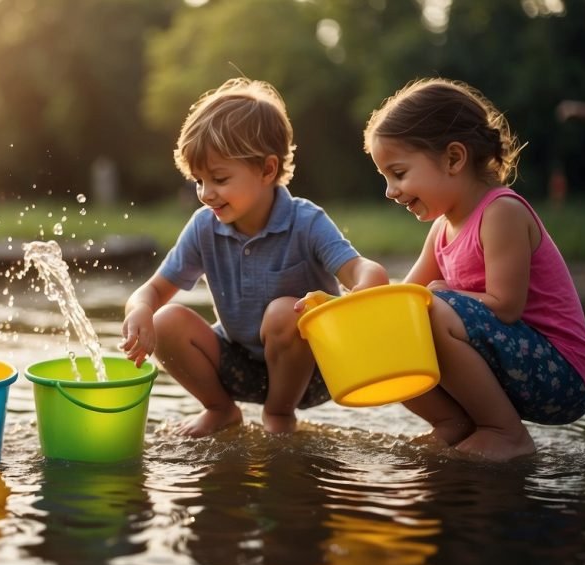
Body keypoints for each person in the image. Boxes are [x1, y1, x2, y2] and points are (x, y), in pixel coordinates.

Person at [120, 78, 389, 437]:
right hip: (240, 366)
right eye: (198, 181)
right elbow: (151, 291)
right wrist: (139, 310)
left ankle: (278, 415)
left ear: (267, 170)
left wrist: (367, 285)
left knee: (283, 313)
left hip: (311, 371)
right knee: (166, 320)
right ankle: (220, 409)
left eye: (218, 178)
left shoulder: (306, 221)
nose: (205, 194)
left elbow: (360, 269)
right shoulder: (204, 227)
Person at [364, 78, 585, 461]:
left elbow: (506, 306)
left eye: (399, 173)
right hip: (516, 367)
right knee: (397, 323)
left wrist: (441, 296)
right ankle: (454, 424)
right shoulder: (441, 230)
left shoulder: (500, 211)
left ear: (454, 159)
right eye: (385, 178)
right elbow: (398, 302)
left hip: (562, 376)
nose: (390, 190)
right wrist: (335, 306)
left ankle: (504, 433)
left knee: (434, 308)